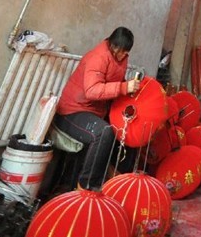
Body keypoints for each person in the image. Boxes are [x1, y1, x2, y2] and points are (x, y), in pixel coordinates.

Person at [54, 27, 141, 190]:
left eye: (125, 52)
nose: (121, 55)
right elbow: (92, 90)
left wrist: (130, 93)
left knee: (129, 127)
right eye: (118, 50)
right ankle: (86, 185)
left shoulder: (121, 59)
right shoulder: (99, 57)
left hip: (95, 111)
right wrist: (124, 87)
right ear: (111, 44)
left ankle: (118, 179)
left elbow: (117, 83)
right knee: (104, 132)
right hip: (72, 111)